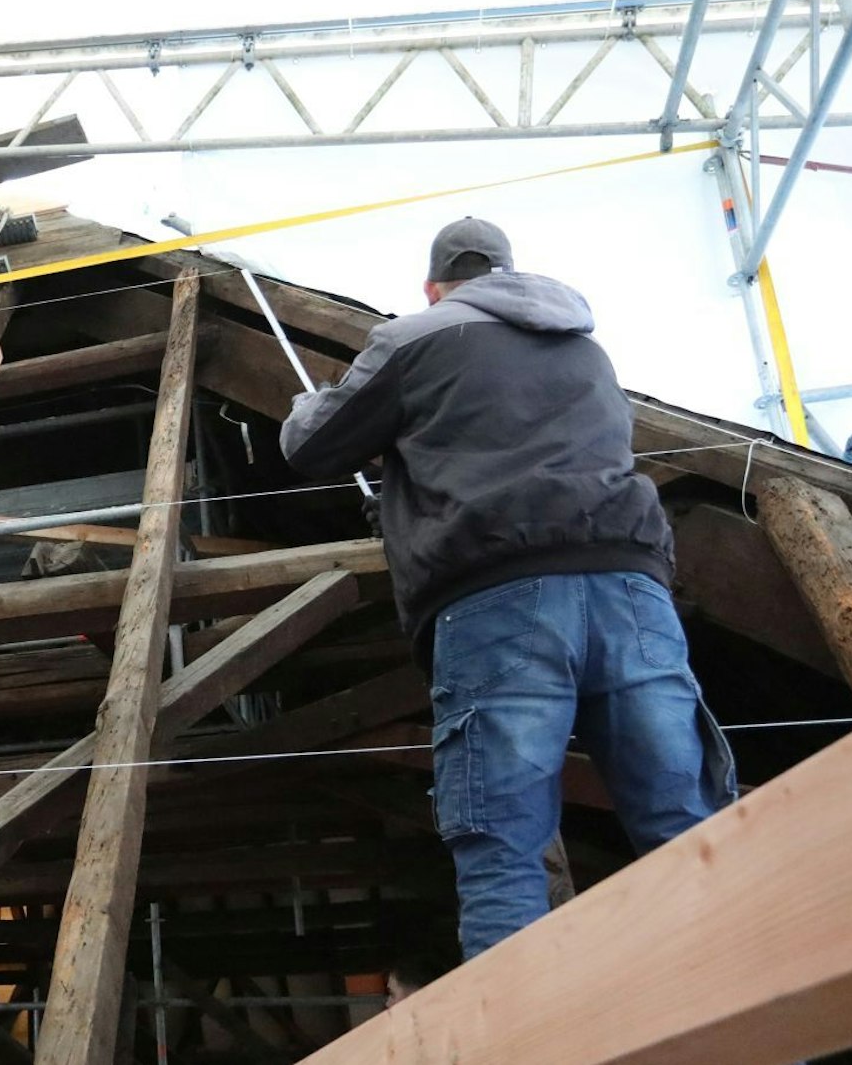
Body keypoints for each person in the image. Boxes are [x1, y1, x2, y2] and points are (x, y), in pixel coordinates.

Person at [280, 217, 736, 960]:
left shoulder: (415, 336)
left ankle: (523, 1021)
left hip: (499, 599)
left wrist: (310, 402)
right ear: (508, 273)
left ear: (433, 287)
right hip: (631, 591)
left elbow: (312, 445)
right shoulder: (585, 347)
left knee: (503, 848)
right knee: (689, 827)